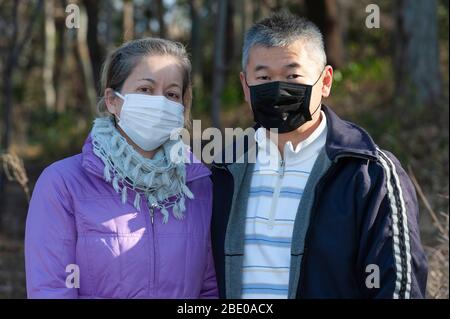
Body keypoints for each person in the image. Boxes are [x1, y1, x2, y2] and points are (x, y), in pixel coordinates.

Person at [211, 12, 428, 299]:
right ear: (245, 87)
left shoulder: (369, 172)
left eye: (293, 75)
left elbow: (399, 287)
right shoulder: (221, 172)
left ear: (325, 81)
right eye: (263, 77)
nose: (278, 88)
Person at [25, 37, 218, 299]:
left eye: (172, 94)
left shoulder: (199, 186)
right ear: (113, 101)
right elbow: (51, 290)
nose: (159, 102)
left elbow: (210, 290)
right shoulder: (62, 184)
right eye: (145, 90)